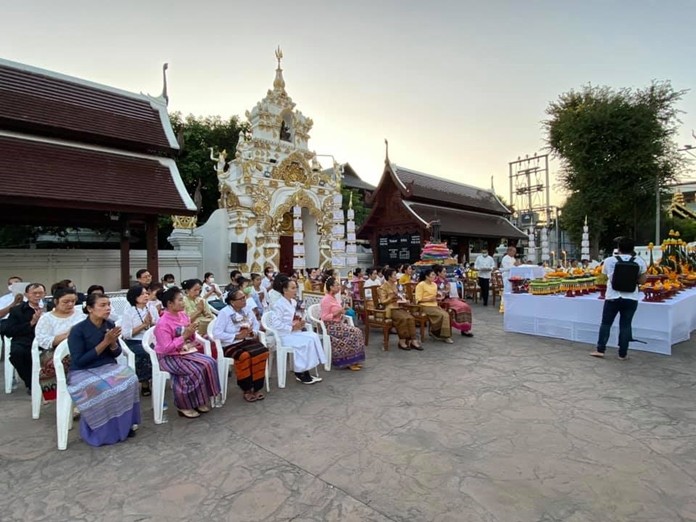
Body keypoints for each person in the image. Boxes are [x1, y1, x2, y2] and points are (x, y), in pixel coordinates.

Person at [67, 293, 141, 446]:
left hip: (106, 366)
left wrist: (112, 343)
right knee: (103, 389)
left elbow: (116, 353)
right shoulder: (78, 330)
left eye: (108, 305)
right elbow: (79, 361)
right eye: (102, 305)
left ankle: (125, 425)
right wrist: (105, 342)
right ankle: (102, 430)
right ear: (90, 309)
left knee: (130, 379)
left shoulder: (109, 324)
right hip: (82, 371)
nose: (108, 308)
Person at [153, 287, 221, 418]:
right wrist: (184, 336)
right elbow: (167, 348)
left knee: (210, 362)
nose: (183, 302)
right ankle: (184, 405)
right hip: (168, 357)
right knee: (194, 370)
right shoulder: (163, 323)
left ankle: (199, 400)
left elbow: (190, 335)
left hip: (185, 352)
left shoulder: (183, 315)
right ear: (170, 304)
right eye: (180, 300)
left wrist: (192, 334)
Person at [590, 236, 647, 361]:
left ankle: (600, 349)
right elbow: (643, 280)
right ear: (633, 249)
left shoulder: (609, 261)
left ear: (619, 248)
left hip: (612, 296)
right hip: (631, 297)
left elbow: (604, 276)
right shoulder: (640, 261)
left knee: (606, 323)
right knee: (625, 325)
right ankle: (622, 354)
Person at [213, 290, 269, 401]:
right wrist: (236, 336)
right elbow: (217, 333)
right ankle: (246, 389)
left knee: (262, 352)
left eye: (244, 297)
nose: (244, 300)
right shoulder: (224, 313)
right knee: (244, 356)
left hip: (247, 341)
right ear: (232, 302)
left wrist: (253, 332)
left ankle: (257, 387)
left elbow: (256, 324)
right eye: (241, 298)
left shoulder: (247, 310)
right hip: (231, 344)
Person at [269, 278, 326, 384]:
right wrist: (291, 328)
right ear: (285, 290)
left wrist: (301, 322)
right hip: (284, 335)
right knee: (305, 342)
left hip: (295, 332)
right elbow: (275, 324)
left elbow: (298, 316)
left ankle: (307, 369)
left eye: (296, 288)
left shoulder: (294, 302)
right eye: (293, 288)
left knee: (313, 336)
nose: (295, 290)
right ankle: (300, 372)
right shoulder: (278, 305)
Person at [34, 286, 84, 401]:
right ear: (56, 301)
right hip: (53, 350)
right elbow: (43, 341)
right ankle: (63, 397)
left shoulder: (81, 315)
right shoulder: (46, 318)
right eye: (66, 302)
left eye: (73, 301)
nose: (70, 304)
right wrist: (68, 335)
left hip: (79, 348)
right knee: (64, 362)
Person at [4, 283, 45, 393]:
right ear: (26, 295)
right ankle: (31, 383)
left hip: (45, 339)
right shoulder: (17, 310)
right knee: (17, 354)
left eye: (40, 293)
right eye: (34, 293)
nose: (37, 295)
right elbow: (9, 331)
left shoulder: (50, 308)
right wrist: (31, 323)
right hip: (24, 339)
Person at [320, 277, 366, 371]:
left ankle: (354, 359)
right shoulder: (326, 300)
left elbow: (338, 312)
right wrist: (337, 312)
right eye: (337, 285)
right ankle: (348, 361)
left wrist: (343, 310)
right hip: (330, 326)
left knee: (357, 331)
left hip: (338, 324)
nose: (339, 287)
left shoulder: (334, 298)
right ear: (331, 287)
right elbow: (324, 317)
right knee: (353, 333)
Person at [120, 285, 157, 396]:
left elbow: (159, 325)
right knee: (144, 353)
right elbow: (126, 334)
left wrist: (152, 324)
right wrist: (143, 325)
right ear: (135, 297)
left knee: (160, 351)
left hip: (151, 340)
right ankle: (145, 382)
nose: (146, 296)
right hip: (135, 341)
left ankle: (157, 378)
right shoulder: (129, 312)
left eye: (146, 293)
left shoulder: (151, 308)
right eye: (142, 294)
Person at [378, 268, 421, 350]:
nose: (396, 277)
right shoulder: (382, 287)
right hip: (390, 308)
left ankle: (413, 340)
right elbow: (383, 302)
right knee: (402, 318)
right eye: (394, 275)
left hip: (398, 307)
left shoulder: (396, 285)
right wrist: (391, 297)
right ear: (389, 277)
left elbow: (401, 296)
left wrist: (403, 299)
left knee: (410, 318)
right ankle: (402, 341)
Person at [415, 269, 454, 344]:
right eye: (432, 275)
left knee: (447, 314)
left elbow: (435, 296)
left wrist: (440, 296)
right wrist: (429, 299)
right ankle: (445, 336)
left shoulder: (434, 285)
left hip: (434, 305)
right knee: (444, 315)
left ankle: (435, 331)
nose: (434, 276)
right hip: (424, 306)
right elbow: (418, 300)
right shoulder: (421, 285)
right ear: (427, 276)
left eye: (434, 275)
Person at [433, 265, 473, 337]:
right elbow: (435, 293)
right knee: (460, 307)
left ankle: (465, 329)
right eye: (444, 272)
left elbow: (449, 291)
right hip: (442, 300)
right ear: (438, 273)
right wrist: (444, 292)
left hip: (450, 298)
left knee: (466, 306)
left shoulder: (445, 281)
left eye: (445, 272)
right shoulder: (434, 282)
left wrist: (448, 291)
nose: (445, 273)